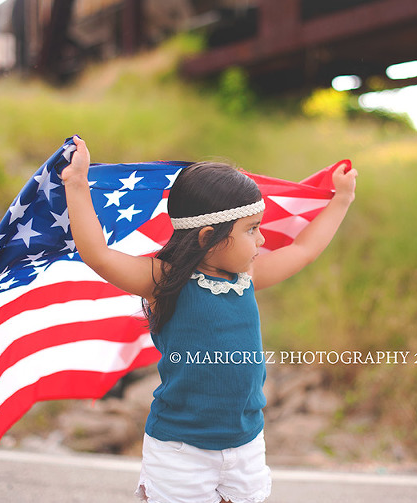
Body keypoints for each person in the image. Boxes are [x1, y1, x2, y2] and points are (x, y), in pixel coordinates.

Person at [62, 135, 357, 503]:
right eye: (251, 229)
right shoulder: (165, 280)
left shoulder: (246, 278)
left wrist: (341, 199)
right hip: (180, 450)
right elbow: (100, 256)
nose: (262, 240)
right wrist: (76, 184)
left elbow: (304, 249)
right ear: (207, 237)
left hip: (245, 443)